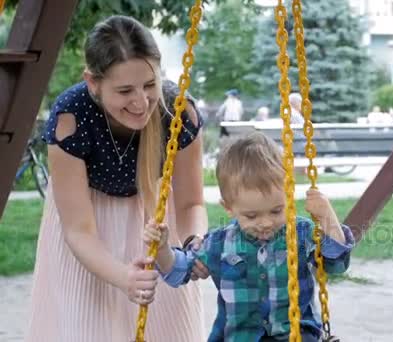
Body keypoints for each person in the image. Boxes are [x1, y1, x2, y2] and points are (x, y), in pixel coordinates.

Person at [26, 15, 210, 341]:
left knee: (165, 329)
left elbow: (191, 202)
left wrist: (194, 242)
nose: (141, 102)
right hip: (89, 233)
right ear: (93, 82)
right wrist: (124, 276)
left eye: (150, 85)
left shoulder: (178, 113)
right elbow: (78, 230)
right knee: (87, 329)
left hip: (155, 223)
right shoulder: (72, 116)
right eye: (125, 90)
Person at [144, 132, 355, 341]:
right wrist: (162, 249)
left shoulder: (300, 232)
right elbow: (177, 272)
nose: (265, 223)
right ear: (228, 208)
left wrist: (328, 218)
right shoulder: (220, 243)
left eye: (276, 211)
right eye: (251, 216)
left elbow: (336, 265)